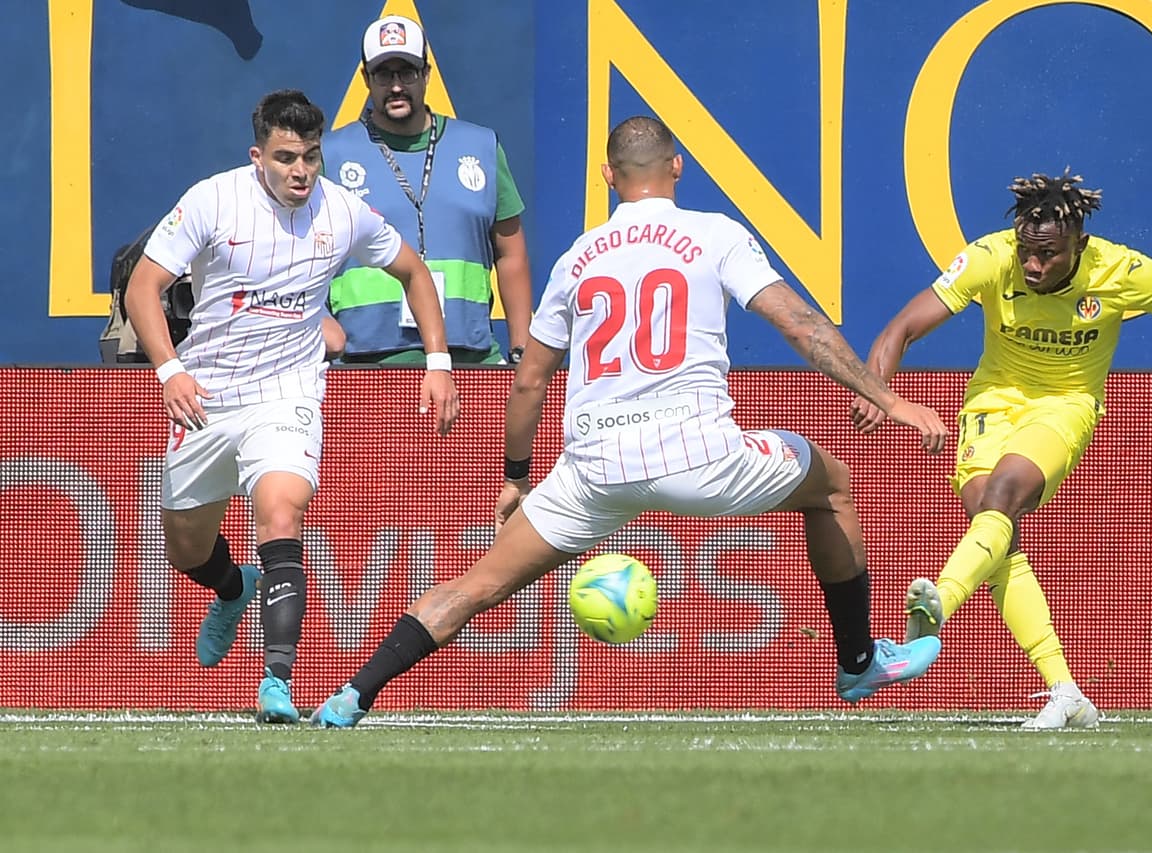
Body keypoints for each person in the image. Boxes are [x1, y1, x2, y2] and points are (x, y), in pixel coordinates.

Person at [309, 115, 950, 728]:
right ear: (677, 166)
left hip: (594, 465)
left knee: (478, 584)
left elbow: (530, 380)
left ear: (608, 178)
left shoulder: (578, 258)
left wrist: (516, 476)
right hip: (698, 454)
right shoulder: (715, 233)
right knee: (830, 483)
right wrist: (891, 403)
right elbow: (798, 324)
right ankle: (860, 662)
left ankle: (350, 695)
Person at [851, 169, 1152, 729]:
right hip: (991, 401)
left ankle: (929, 624)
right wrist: (880, 394)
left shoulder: (1121, 270)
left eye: (1046, 256)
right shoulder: (990, 258)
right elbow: (901, 328)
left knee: (1002, 496)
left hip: (1065, 404)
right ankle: (1066, 691)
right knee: (990, 527)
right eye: (1027, 252)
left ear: (1078, 244)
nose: (1032, 266)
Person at [124, 89, 459, 724]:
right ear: (258, 157)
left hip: (288, 393)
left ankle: (276, 679)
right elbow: (145, 287)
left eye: (310, 156)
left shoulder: (342, 211)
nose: (300, 171)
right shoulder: (212, 200)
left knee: (281, 514)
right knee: (186, 548)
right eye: (285, 158)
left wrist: (438, 365)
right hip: (207, 393)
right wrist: (170, 370)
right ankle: (232, 589)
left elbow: (414, 271)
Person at [325, 14, 532, 366]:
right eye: (383, 74)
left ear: (426, 74)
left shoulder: (481, 146)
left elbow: (510, 254)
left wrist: (521, 348)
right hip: (365, 360)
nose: (395, 86)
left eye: (406, 72)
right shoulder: (331, 154)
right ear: (365, 78)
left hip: (471, 355)